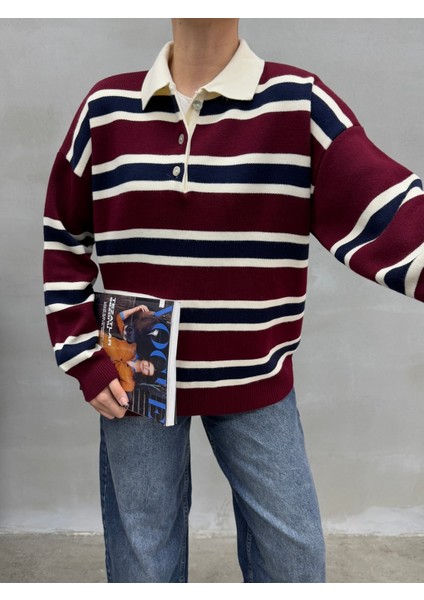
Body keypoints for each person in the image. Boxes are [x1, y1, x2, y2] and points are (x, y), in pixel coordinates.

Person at [43, 19, 424, 583]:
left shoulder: (299, 102)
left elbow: (388, 211)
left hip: (253, 366)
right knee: (143, 560)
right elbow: (63, 236)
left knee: (293, 560)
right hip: (135, 365)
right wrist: (83, 357)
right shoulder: (106, 108)